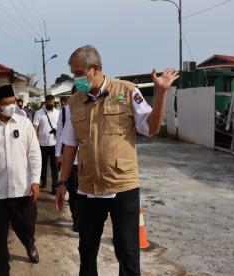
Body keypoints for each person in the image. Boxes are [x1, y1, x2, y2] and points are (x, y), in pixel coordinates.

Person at [55, 45, 179, 276]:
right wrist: (62, 183)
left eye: (79, 73)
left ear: (96, 68)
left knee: (128, 252)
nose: (76, 79)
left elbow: (151, 128)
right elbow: (70, 145)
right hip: (87, 188)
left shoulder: (127, 91)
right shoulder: (74, 102)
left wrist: (161, 93)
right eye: (73, 74)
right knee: (87, 250)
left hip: (122, 186)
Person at [0, 85, 42, 276]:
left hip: (22, 190)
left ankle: (29, 244)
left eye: (13, 102)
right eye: (6, 103)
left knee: (27, 227)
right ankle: (2, 271)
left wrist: (36, 181)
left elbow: (34, 154)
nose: (11, 106)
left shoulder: (24, 124)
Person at [55, 92, 79, 232]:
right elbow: (59, 134)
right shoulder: (65, 111)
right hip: (72, 160)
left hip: (89, 161)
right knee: (74, 192)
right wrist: (58, 154)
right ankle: (76, 219)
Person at [33, 94, 60, 195]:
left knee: (54, 166)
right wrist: (34, 140)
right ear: (45, 102)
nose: (50, 104)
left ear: (54, 102)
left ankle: (54, 186)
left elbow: (61, 127)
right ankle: (43, 181)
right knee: (42, 165)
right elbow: (35, 127)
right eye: (48, 102)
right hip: (42, 144)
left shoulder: (58, 113)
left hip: (54, 144)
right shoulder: (39, 113)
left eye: (52, 102)